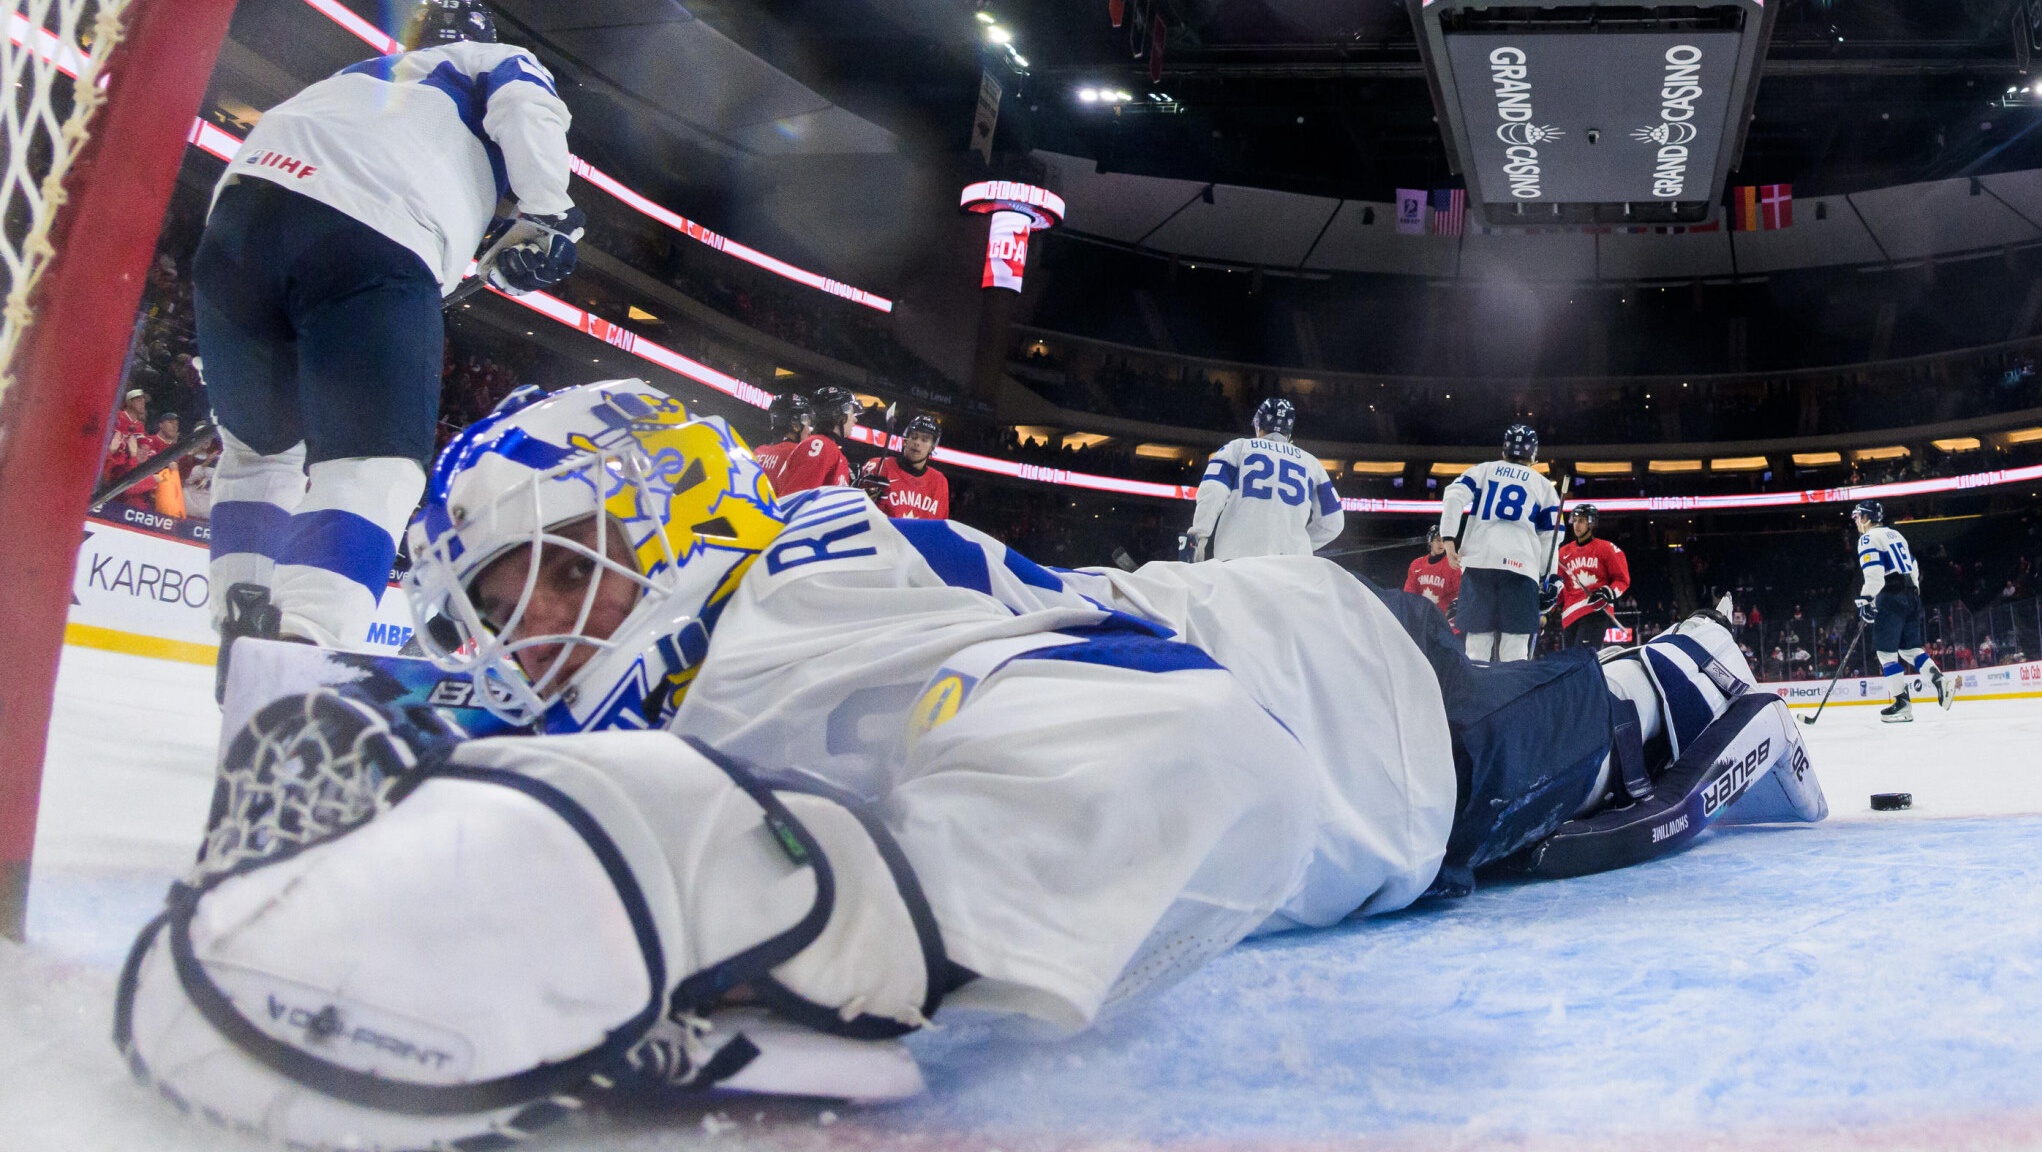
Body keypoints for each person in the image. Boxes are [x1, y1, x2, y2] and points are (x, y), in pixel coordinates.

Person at [121, 382, 1829, 1150]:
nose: (514, 648)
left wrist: (874, 931)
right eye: (491, 616)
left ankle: (1703, 671)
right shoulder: (767, 603)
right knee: (1563, 705)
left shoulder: (770, 647)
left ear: (653, 526)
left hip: (1387, 740)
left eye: (536, 584)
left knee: (1612, 724)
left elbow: (1189, 750)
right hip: (1314, 643)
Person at [195, 0, 581, 666]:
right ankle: (298, 657)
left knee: (258, 458)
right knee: (372, 468)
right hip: (370, 232)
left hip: (235, 227)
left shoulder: (355, 76)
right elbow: (523, 100)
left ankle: (240, 633)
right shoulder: (487, 59)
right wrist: (552, 214)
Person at [1440, 424, 1562, 664]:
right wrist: (1549, 579)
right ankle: (1511, 690)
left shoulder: (1483, 470)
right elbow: (1551, 535)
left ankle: (1478, 689)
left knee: (1476, 648)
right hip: (1521, 569)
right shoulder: (1543, 485)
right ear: (1533, 453)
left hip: (1479, 564)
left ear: (1504, 449)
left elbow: (1453, 495)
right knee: (1514, 652)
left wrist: (1448, 538)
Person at [1180, 397, 1343, 561]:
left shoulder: (1238, 448)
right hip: (1289, 566)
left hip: (1238, 558)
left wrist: (1198, 536)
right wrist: (1300, 547)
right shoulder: (1311, 463)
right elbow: (1333, 522)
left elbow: (1213, 491)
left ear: (1258, 423)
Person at [1851, 500, 1954, 722]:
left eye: (1858, 516)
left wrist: (1865, 600)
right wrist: (1911, 594)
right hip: (1911, 595)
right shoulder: (1896, 535)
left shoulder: (1867, 538)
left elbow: (1875, 575)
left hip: (1891, 596)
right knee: (1910, 649)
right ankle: (1939, 680)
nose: (1856, 521)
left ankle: (1901, 704)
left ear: (1867, 518)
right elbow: (1913, 567)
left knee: (1885, 653)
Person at [1556, 504, 1630, 648]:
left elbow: (1622, 579)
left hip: (1595, 610)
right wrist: (1547, 611)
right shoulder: (1563, 553)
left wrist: (1608, 593)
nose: (1576, 525)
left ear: (1591, 523)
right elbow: (1559, 586)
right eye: (1575, 520)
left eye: (1581, 521)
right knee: (1571, 659)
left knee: (1583, 657)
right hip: (1569, 616)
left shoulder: (1606, 548)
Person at [858, 413, 950, 520]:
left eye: (924, 440)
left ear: (932, 447)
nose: (917, 443)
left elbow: (939, 524)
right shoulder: (879, 466)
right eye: (914, 437)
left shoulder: (939, 482)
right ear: (905, 440)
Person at [1402, 525, 1462, 621]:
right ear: (1430, 541)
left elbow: (1458, 594)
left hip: (1444, 620)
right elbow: (1409, 592)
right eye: (1438, 540)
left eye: (1443, 541)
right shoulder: (1417, 564)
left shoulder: (1452, 565)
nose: (1441, 544)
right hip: (1421, 617)